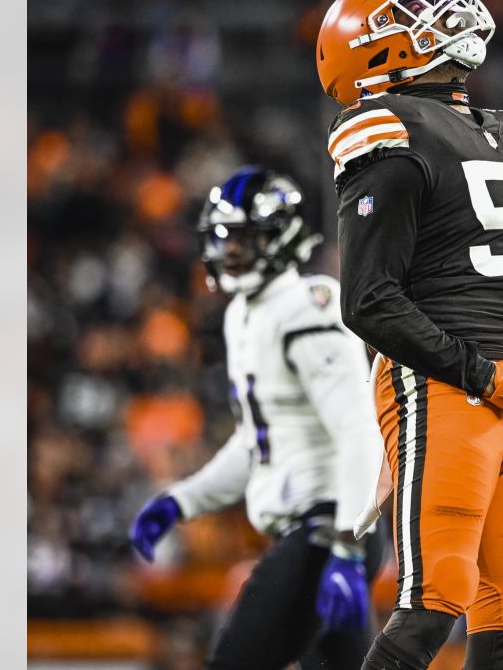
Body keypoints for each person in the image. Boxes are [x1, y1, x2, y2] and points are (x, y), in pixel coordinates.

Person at [315, 0, 503, 670]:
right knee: (434, 596)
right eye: (407, 11)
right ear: (371, 51)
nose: (436, 11)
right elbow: (368, 300)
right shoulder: (386, 128)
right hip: (446, 389)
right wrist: (478, 374)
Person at [128, 168, 386, 669]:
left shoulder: (305, 306)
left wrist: (347, 548)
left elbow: (360, 427)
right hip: (312, 533)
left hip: (325, 533)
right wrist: (182, 500)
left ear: (281, 237)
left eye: (244, 239)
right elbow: (257, 443)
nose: (230, 252)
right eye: (223, 239)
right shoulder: (244, 314)